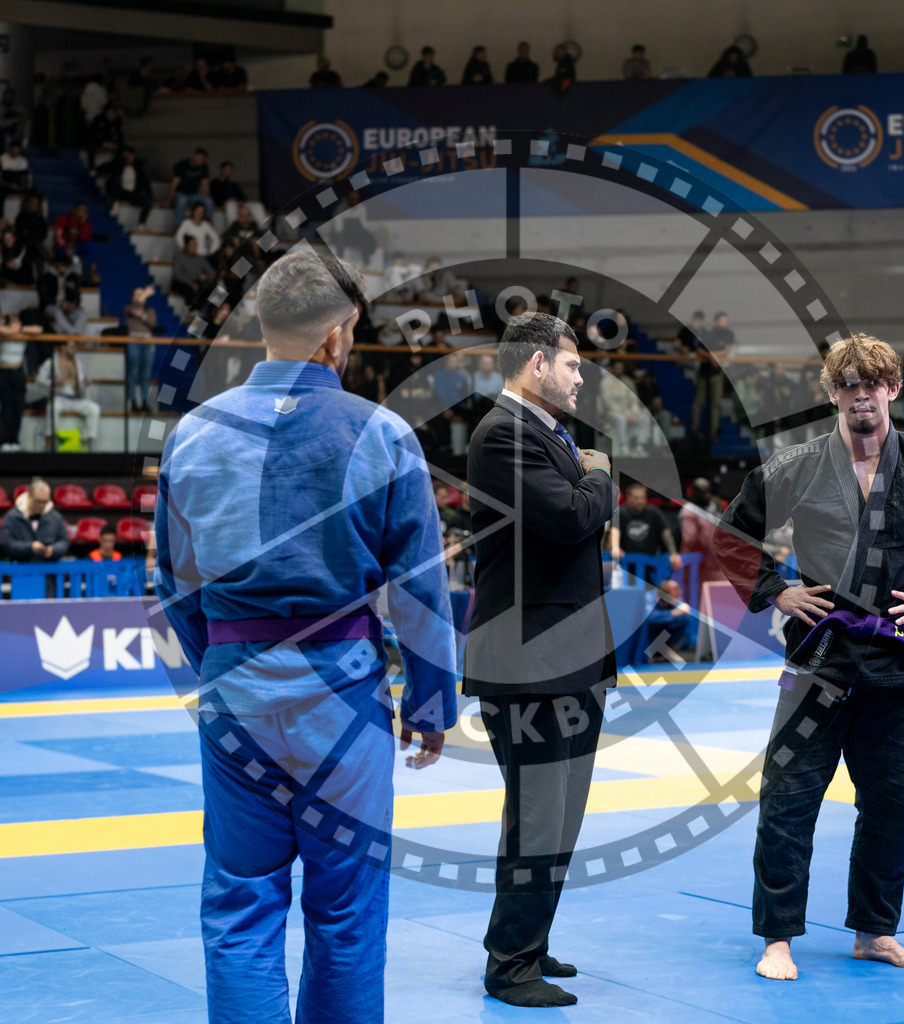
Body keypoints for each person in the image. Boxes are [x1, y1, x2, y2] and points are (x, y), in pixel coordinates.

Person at [154, 250, 457, 1024]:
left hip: (235, 687)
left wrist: (221, 663)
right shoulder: (383, 433)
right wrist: (431, 703)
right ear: (336, 336)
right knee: (346, 912)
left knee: (241, 905)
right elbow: (419, 588)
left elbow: (175, 587)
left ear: (265, 327)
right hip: (341, 696)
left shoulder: (193, 433)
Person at [716, 332, 904, 982]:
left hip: (894, 666)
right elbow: (733, 535)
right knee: (788, 803)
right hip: (817, 664)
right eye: (847, 385)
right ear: (831, 393)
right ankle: (778, 939)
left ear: (893, 390)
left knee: (896, 808)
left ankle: (875, 932)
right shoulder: (796, 465)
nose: (860, 397)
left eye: (871, 384)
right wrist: (777, 591)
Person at [463, 311, 617, 1008]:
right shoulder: (503, 435)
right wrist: (601, 476)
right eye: (573, 365)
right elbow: (570, 518)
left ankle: (532, 936)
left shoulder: (546, 434)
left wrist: (585, 470)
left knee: (563, 814)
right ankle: (510, 965)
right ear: (536, 365)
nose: (580, 377)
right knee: (539, 811)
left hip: (569, 651)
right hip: (527, 657)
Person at [36, 339, 101, 449]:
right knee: (52, 408)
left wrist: (84, 384)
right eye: (72, 347)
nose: (75, 350)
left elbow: (79, 384)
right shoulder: (52, 362)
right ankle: (49, 440)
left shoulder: (77, 363)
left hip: (76, 399)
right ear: (63, 347)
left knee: (94, 408)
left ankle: (87, 441)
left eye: (75, 347)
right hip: (60, 397)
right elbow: (39, 379)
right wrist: (52, 383)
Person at [609, 482, 680, 569]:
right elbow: (615, 531)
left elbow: (666, 532)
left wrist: (673, 553)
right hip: (626, 563)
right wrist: (615, 547)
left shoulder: (653, 511)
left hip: (650, 562)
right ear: (628, 497)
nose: (640, 501)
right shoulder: (620, 512)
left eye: (642, 498)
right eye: (636, 498)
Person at [0, 478, 70, 562]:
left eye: (45, 502)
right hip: (20, 571)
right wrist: (30, 547)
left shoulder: (56, 517)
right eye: (38, 501)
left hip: (48, 571)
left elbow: (64, 542)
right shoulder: (12, 517)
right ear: (29, 496)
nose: (41, 506)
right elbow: (6, 544)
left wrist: (53, 550)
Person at [689, 311, 733, 443]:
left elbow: (727, 350)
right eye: (722, 320)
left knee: (715, 403)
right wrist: (710, 356)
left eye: (726, 320)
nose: (725, 323)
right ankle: (695, 427)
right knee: (699, 401)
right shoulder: (708, 334)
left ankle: (713, 431)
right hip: (704, 373)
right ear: (716, 322)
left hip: (717, 373)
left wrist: (716, 356)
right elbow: (699, 349)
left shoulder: (729, 334)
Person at [0, 314, 42, 451]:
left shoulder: (23, 330)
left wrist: (21, 328)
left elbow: (39, 329)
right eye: (12, 320)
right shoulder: (4, 330)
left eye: (18, 320)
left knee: (18, 406)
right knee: (6, 407)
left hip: (18, 371)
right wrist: (13, 330)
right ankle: (5, 440)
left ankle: (15, 440)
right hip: (4, 370)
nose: (15, 323)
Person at [124, 285, 158, 412]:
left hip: (147, 342)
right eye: (137, 295)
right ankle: (132, 400)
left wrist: (144, 295)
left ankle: (145, 400)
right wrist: (146, 294)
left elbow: (152, 323)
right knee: (132, 372)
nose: (140, 297)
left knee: (146, 374)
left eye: (142, 294)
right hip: (133, 341)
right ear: (132, 298)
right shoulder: (128, 309)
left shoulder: (151, 311)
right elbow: (136, 312)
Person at [165, 147, 213, 226]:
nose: (201, 161)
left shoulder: (203, 166)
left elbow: (205, 184)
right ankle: (179, 228)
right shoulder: (182, 165)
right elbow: (174, 184)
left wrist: (206, 196)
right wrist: (168, 200)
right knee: (181, 200)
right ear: (195, 156)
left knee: (209, 201)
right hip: (181, 193)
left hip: (195, 194)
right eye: (200, 159)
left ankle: (207, 227)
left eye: (203, 159)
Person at [106, 146, 153, 226]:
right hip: (121, 193)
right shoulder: (118, 167)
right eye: (126, 156)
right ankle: (115, 204)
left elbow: (145, 182)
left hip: (133, 193)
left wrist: (150, 195)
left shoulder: (139, 168)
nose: (129, 158)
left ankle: (141, 223)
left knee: (147, 201)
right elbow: (107, 170)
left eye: (131, 155)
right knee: (115, 180)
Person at [171, 235, 214, 305]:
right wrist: (190, 283)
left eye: (195, 244)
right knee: (188, 289)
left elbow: (211, 272)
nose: (194, 247)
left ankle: (213, 309)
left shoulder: (200, 258)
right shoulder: (179, 257)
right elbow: (177, 274)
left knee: (210, 286)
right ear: (186, 246)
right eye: (192, 245)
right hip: (182, 283)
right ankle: (191, 310)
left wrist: (205, 277)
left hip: (197, 281)